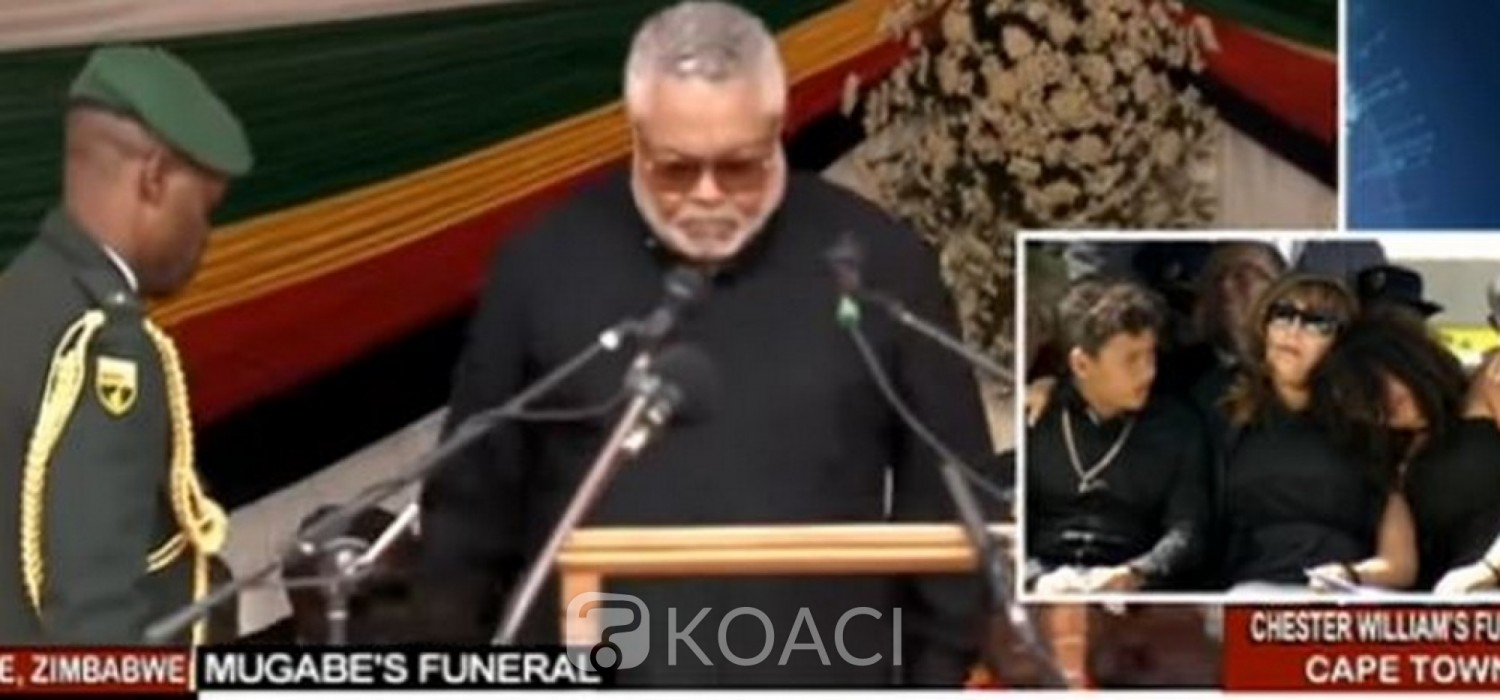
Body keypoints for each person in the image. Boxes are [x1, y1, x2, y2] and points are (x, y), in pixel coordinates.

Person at [417, 1, 993, 686]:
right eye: (677, 168)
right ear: (636, 137)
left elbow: (955, 512)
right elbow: (465, 527)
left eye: (739, 166)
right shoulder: (542, 265)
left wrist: (931, 681)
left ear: (778, 131)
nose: (709, 194)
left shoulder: (881, 264)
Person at [0, 46, 252, 644]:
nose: (205, 236)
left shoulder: (21, 296)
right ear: (154, 177)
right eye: (204, 209)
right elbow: (96, 625)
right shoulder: (107, 348)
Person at [1220, 275, 1417, 593]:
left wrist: (1349, 574)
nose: (1293, 330)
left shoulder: (1367, 431)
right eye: (1283, 314)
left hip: (1340, 599)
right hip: (1247, 595)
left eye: (1317, 323)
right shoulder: (1227, 417)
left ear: (1340, 344)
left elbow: (1400, 563)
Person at [1024, 279, 1209, 594]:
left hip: (1134, 591)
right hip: (1044, 583)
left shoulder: (1178, 426)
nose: (1148, 371)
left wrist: (1136, 573)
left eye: (1150, 355)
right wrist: (1035, 578)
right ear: (1082, 364)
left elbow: (1189, 531)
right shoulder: (1039, 417)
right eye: (1131, 359)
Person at [1315, 309, 1500, 594]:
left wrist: (1489, 568)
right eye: (1365, 406)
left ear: (1406, 359)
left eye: (1378, 387)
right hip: (1453, 606)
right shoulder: (1400, 457)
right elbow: (1400, 564)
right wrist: (1350, 574)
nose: (1384, 407)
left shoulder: (1488, 383)